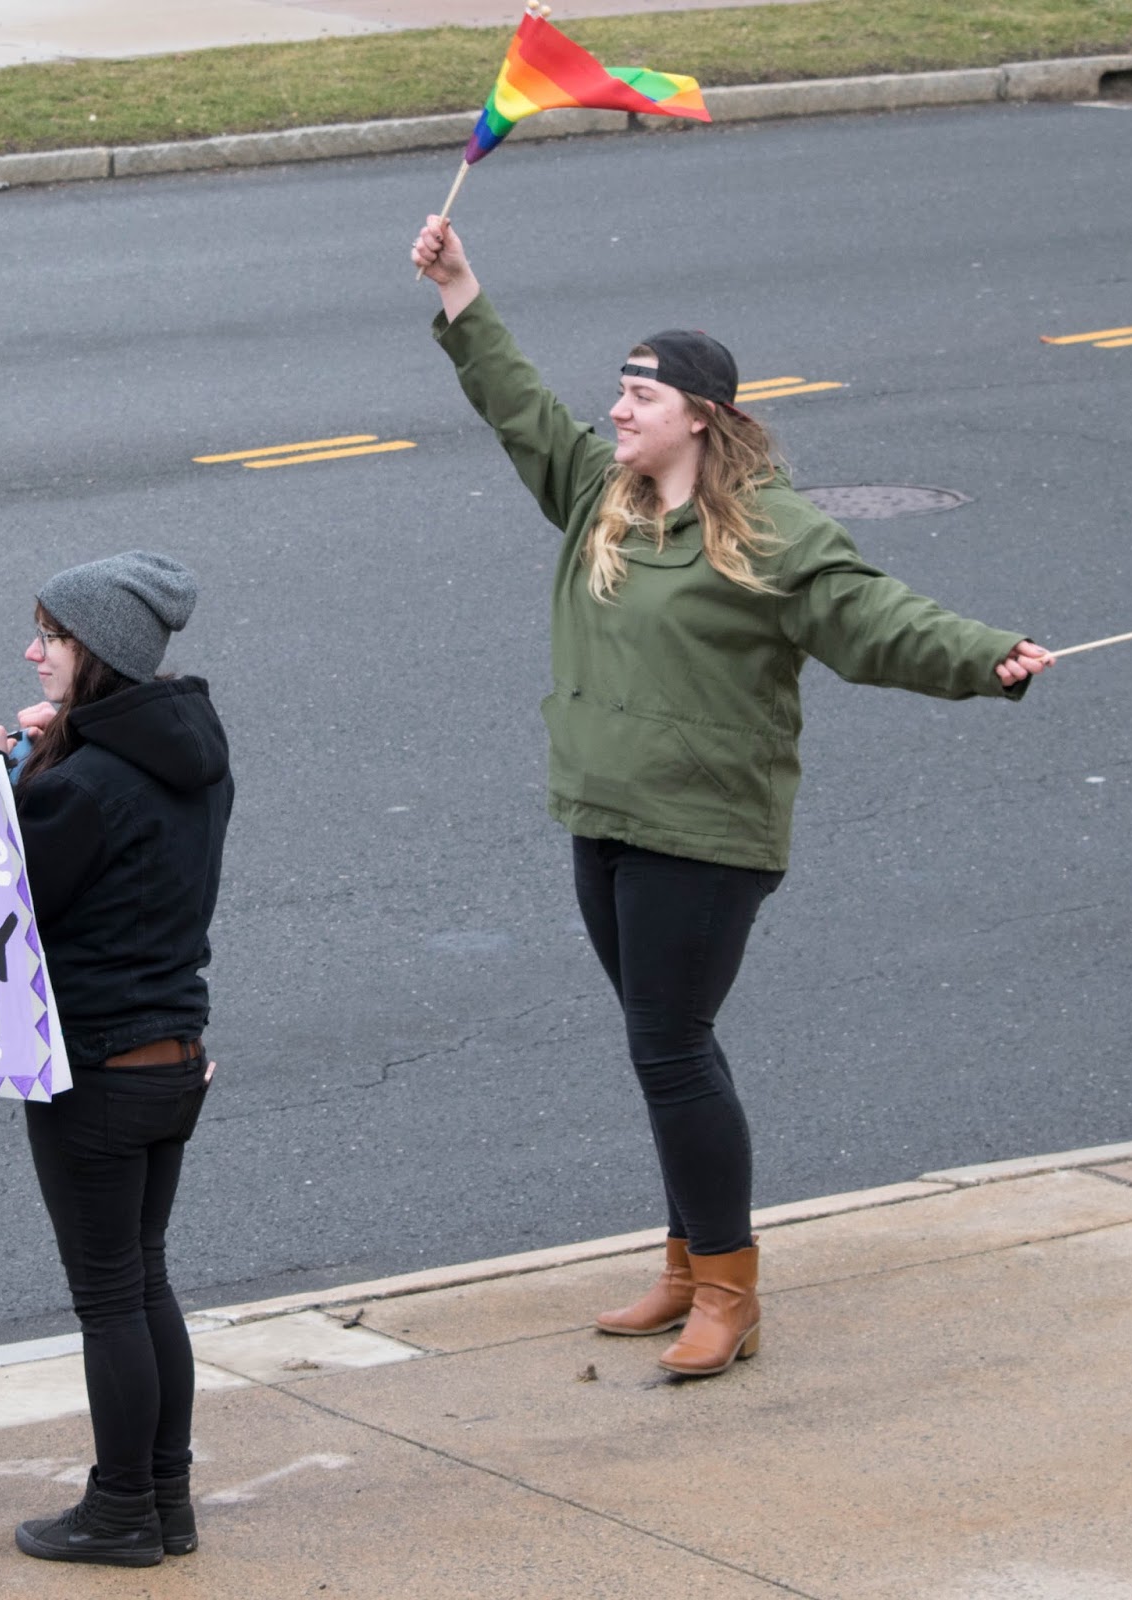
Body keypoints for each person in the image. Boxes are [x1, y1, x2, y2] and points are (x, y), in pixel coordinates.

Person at [410, 218, 1054, 1379]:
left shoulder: (770, 533)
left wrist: (982, 656)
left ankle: (728, 1284)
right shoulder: (600, 502)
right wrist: (460, 290)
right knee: (653, 1045)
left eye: (640, 397)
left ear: (698, 414)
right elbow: (517, 406)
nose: (616, 410)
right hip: (603, 820)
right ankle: (681, 1259)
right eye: (617, 392)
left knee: (672, 1045)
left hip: (703, 837)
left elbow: (877, 620)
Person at [0, 551, 233, 1565]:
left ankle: (121, 1509)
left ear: (99, 651)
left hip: (98, 1067)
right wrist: (54, 755)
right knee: (146, 1280)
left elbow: (10, 907)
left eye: (52, 636)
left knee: (109, 1294)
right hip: (173, 1054)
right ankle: (166, 1498)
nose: (33, 652)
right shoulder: (186, 749)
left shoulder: (88, 783)